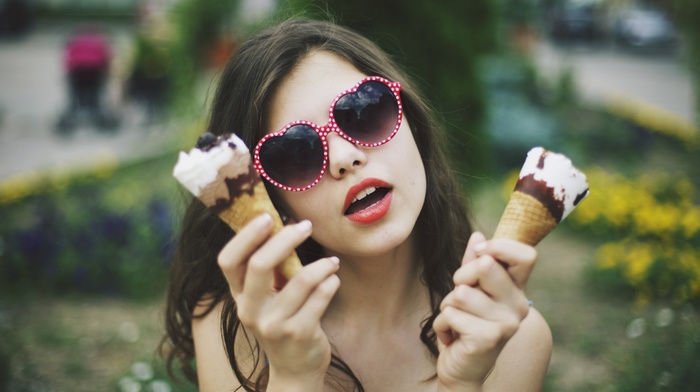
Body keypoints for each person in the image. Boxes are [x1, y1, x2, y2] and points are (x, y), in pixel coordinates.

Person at [161, 18, 552, 392]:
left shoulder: (511, 338)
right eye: (296, 151)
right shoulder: (237, 332)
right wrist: (293, 378)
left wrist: (465, 385)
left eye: (365, 111)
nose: (344, 157)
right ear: (269, 197)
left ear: (411, 124)